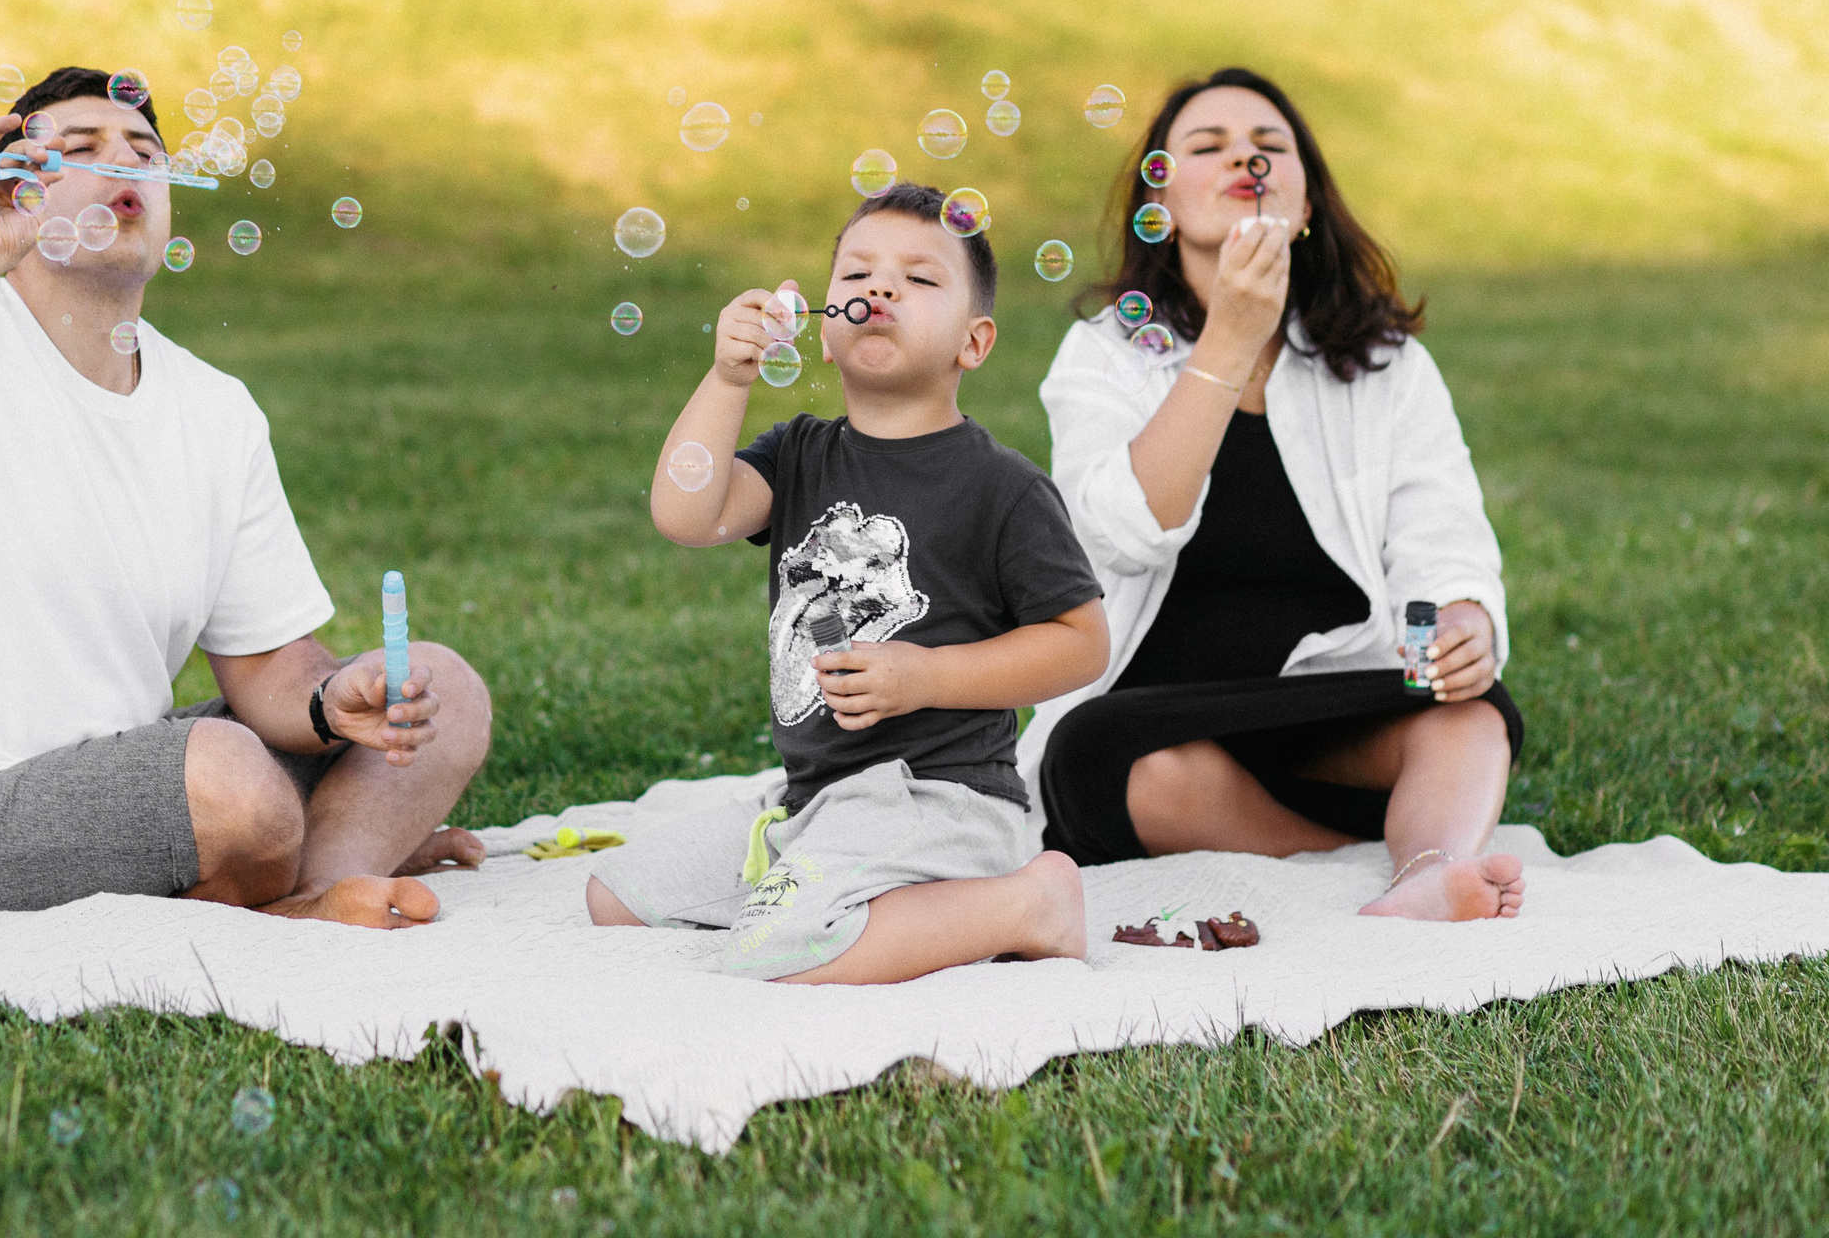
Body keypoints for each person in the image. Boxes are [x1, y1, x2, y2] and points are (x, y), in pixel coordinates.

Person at [0, 67, 492, 928]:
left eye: (144, 152)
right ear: (18, 187)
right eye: (81, 150)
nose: (124, 167)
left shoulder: (215, 409)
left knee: (445, 690)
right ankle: (288, 886)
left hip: (126, 774)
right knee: (231, 784)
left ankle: (326, 881)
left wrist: (335, 698)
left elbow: (270, 666)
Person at [1022, 67, 1525, 922]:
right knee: (1102, 756)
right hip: (1159, 719)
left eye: (1269, 146)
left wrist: (1461, 619)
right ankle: (1353, 858)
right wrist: (1227, 340)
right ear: (1164, 199)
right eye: (1207, 147)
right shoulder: (1106, 353)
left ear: (1307, 203)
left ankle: (1427, 868)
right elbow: (1122, 532)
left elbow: (1438, 530)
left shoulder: (1380, 359)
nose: (1243, 159)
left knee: (1471, 715)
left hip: (1327, 705)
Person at [583, 184, 1109, 983]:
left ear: (975, 341)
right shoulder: (798, 454)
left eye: (920, 279)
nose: (880, 289)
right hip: (818, 794)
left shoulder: (1002, 487)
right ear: (825, 334)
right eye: (856, 275)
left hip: (943, 801)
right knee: (613, 894)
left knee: (775, 954)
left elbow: (1082, 643)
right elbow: (687, 514)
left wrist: (928, 674)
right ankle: (813, 871)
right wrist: (729, 377)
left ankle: (1030, 903)